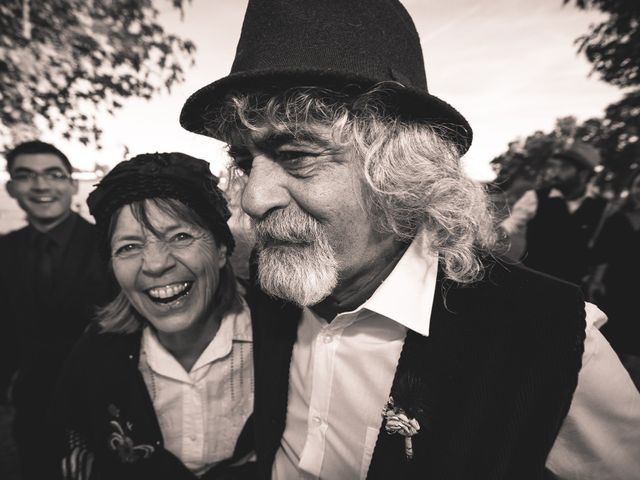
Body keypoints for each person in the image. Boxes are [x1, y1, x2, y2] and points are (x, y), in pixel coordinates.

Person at [179, 1, 640, 479]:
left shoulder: (550, 339)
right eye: (246, 161)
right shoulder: (274, 277)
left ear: (400, 170)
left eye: (296, 155)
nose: (253, 198)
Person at [52, 153, 255, 479]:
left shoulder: (285, 338)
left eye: (180, 236)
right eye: (129, 246)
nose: (156, 263)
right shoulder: (94, 356)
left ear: (221, 250)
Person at [0, 140, 110, 480]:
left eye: (53, 174)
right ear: (11, 188)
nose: (41, 185)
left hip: (103, 403)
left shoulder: (108, 244)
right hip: (32, 408)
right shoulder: (4, 251)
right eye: (26, 175)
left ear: (72, 184)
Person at [500, 141, 608, 286]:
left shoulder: (602, 208)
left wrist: (595, 280)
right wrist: (496, 234)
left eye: (564, 168)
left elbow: (602, 254)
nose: (556, 173)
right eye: (556, 167)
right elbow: (511, 225)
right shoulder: (536, 197)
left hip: (571, 290)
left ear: (583, 174)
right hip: (530, 281)